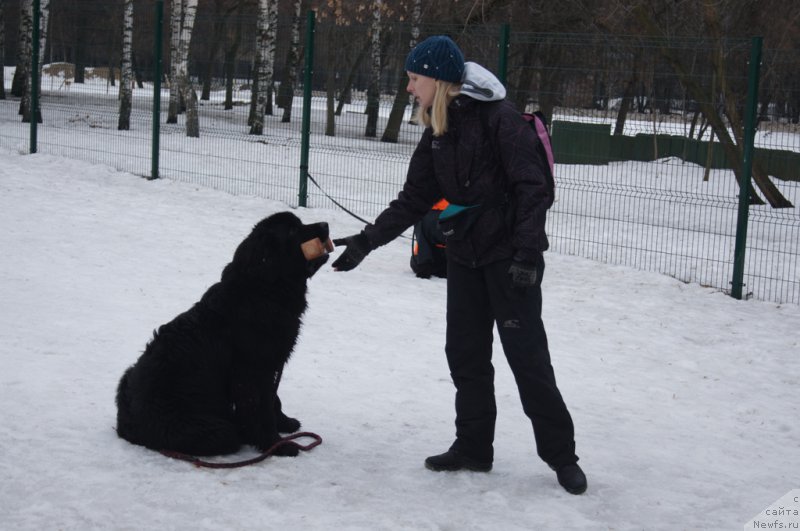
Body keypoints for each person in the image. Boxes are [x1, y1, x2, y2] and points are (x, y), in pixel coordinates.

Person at [331, 35, 587, 495]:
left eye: (414, 79)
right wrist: (367, 242)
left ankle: (562, 457)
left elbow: (534, 188)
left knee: (527, 360)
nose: (409, 88)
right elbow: (415, 197)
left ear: (439, 80)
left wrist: (528, 255)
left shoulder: (501, 121)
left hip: (511, 259)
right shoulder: (438, 131)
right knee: (466, 354)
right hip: (465, 255)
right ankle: (473, 447)